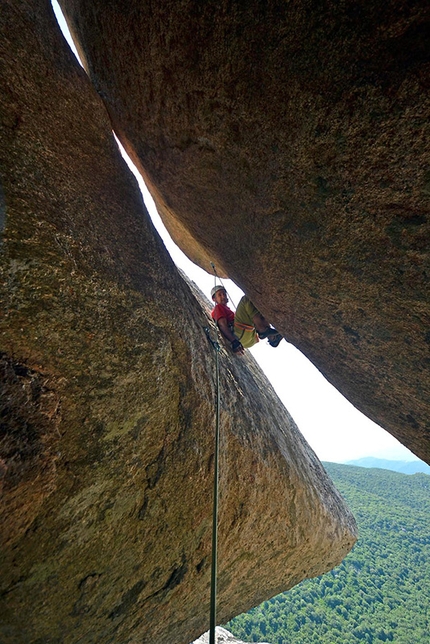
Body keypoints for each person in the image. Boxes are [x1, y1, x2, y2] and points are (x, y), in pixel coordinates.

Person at [210, 284, 283, 354]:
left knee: (256, 310)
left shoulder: (229, 311)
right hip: (238, 336)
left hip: (247, 339)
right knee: (245, 299)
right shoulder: (218, 308)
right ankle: (262, 330)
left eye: (224, 294)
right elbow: (222, 325)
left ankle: (272, 337)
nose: (223, 296)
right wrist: (233, 341)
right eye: (219, 295)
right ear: (214, 299)